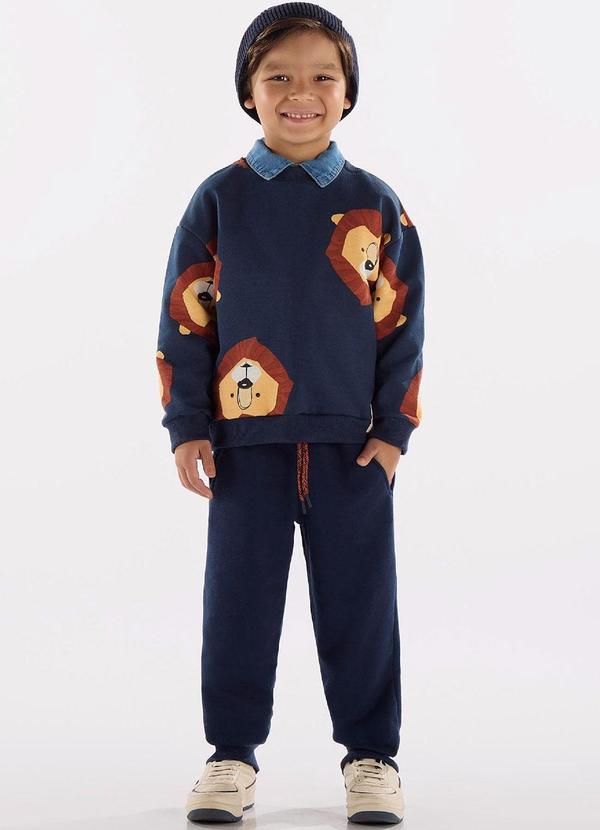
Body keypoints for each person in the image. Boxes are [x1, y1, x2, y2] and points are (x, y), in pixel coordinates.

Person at [155, 2, 425, 823]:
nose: (300, 93)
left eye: (321, 77)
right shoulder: (219, 200)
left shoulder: (376, 204)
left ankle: (372, 757)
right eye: (278, 77)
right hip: (246, 450)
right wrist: (188, 425)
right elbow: (185, 318)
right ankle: (231, 756)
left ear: (347, 92)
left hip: (352, 450)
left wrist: (392, 433)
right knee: (237, 606)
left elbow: (402, 325)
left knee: (361, 607)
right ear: (249, 92)